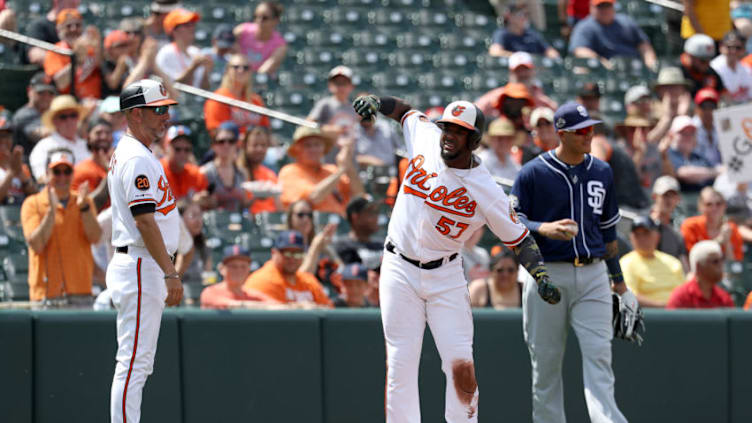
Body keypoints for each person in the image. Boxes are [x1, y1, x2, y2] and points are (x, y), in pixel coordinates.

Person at [353, 93, 561, 422]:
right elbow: (405, 111)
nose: (448, 134)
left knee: (461, 366)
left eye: (458, 130)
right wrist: (377, 101)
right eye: (447, 127)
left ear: (474, 139)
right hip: (398, 266)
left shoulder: (486, 189)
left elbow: (520, 239)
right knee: (401, 365)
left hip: (445, 276)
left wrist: (541, 276)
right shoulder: (426, 136)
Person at [510, 101, 641, 423]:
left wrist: (620, 285)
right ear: (561, 133)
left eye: (591, 128)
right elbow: (510, 221)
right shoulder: (532, 172)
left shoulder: (601, 170)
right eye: (580, 130)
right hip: (547, 275)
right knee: (546, 365)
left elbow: (608, 233)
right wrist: (543, 228)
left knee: (600, 359)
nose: (588, 134)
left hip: (594, 273)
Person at [107, 79, 183, 423]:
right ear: (136, 114)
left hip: (141, 262)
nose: (166, 116)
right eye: (159, 110)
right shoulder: (136, 158)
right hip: (141, 264)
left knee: (138, 362)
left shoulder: (137, 152)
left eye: (167, 109)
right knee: (134, 363)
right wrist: (170, 271)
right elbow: (145, 223)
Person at [21, 149, 100, 306]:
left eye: (67, 171)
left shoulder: (84, 201)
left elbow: (95, 237)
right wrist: (51, 212)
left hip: (80, 291)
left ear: (73, 173)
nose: (62, 177)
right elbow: (36, 244)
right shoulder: (33, 203)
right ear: (46, 174)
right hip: (45, 295)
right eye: (56, 172)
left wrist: (84, 208)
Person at [278, 126, 364, 216]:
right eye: (307, 145)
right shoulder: (289, 171)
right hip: (311, 226)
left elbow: (359, 195)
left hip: (341, 224)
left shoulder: (331, 170)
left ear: (324, 148)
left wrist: (349, 166)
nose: (313, 149)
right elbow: (313, 197)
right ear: (297, 149)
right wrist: (341, 170)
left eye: (317, 144)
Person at [243, 230, 333, 307]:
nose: (292, 258)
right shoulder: (262, 280)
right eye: (287, 253)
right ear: (274, 253)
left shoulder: (308, 280)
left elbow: (328, 311)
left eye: (297, 254)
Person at [569, 0, 657, 70]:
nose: (604, 10)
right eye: (600, 6)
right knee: (581, 69)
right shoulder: (585, 26)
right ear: (591, 7)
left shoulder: (626, 22)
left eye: (607, 6)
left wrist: (650, 63)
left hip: (633, 66)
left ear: (613, 6)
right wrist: (603, 62)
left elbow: (644, 45)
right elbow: (580, 50)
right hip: (604, 71)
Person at [620, 216, 685, 308]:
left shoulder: (672, 262)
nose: (641, 238)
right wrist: (664, 306)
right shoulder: (626, 263)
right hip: (647, 316)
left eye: (646, 233)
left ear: (657, 236)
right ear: (631, 238)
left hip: (678, 313)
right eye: (637, 234)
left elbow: (684, 291)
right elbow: (628, 295)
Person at [43, 8, 103, 99]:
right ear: (59, 30)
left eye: (77, 25)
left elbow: (101, 66)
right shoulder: (54, 51)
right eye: (68, 26)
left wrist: (99, 45)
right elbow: (60, 83)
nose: (73, 29)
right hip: (69, 105)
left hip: (95, 102)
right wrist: (77, 59)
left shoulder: (90, 47)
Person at [29, 95, 90, 183]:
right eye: (63, 117)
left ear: (78, 118)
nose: (69, 120)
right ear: (54, 121)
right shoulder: (43, 146)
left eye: (73, 115)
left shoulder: (86, 144)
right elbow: (42, 179)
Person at [203, 53, 270, 132]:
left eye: (245, 68)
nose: (241, 70)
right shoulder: (218, 98)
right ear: (227, 70)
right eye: (236, 67)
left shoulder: (256, 101)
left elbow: (266, 130)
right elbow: (216, 133)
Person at [200, 245, 279, 309]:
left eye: (243, 266)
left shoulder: (252, 294)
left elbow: (278, 306)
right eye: (233, 266)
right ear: (222, 269)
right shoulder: (210, 292)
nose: (238, 270)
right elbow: (232, 305)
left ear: (249, 269)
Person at [681, 187, 744, 261]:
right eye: (709, 204)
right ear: (700, 206)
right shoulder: (690, 225)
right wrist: (719, 241)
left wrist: (727, 243)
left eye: (718, 204)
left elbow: (734, 264)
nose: (714, 208)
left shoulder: (732, 228)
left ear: (724, 206)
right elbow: (694, 258)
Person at [666, 240, 735, 309]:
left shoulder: (724, 298)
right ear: (698, 266)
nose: (720, 265)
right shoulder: (681, 296)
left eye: (722, 260)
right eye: (715, 261)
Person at [155, 8, 212, 89]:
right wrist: (193, 67)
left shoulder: (195, 51)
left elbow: (205, 88)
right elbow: (172, 86)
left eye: (193, 24)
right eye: (186, 25)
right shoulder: (166, 52)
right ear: (174, 30)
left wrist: (206, 71)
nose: (192, 28)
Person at [307, 65, 360, 151]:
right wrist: (327, 130)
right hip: (327, 155)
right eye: (337, 83)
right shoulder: (325, 104)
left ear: (351, 86)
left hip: (349, 156)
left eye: (344, 83)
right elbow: (308, 125)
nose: (341, 87)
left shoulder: (354, 108)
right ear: (330, 86)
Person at [200, 122, 250, 212]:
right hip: (213, 222)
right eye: (221, 142)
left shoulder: (242, 173)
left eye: (231, 141)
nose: (226, 145)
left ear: (236, 145)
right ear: (214, 146)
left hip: (238, 222)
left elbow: (244, 205)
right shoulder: (205, 172)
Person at [160, 125, 211, 205]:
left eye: (187, 150)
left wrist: (204, 201)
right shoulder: (157, 171)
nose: (182, 154)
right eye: (177, 149)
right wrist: (189, 202)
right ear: (166, 147)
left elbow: (210, 202)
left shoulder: (196, 174)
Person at [666, 115, 718, 192]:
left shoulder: (698, 156)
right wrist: (715, 172)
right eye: (683, 133)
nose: (688, 137)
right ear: (671, 135)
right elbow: (684, 174)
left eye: (692, 133)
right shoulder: (668, 154)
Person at [234, 1, 287, 74]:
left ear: (275, 20)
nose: (259, 20)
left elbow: (263, 72)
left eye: (264, 18)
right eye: (256, 16)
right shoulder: (241, 31)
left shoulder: (280, 46)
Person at [649, 175, 690, 272]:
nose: (669, 200)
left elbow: (683, 261)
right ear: (654, 196)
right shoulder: (642, 223)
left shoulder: (678, 228)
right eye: (665, 195)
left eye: (673, 195)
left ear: (678, 199)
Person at [489, 3, 560, 58]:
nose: (524, 18)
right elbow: (495, 52)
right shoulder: (502, 34)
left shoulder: (532, 34)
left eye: (526, 14)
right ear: (509, 16)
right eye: (520, 14)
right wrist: (521, 58)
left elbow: (552, 53)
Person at [237, 125, 281, 214]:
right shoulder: (238, 172)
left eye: (263, 145)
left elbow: (279, 208)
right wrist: (256, 196)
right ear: (245, 146)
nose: (260, 149)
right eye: (255, 145)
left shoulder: (270, 174)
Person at [71, 118, 113, 211]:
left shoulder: (120, 163)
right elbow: (86, 207)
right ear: (88, 137)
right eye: (98, 133)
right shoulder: (81, 170)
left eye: (107, 133)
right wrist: (109, 173)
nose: (103, 137)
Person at [333, 195, 384, 270]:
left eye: (376, 212)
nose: (376, 217)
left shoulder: (383, 244)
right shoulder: (342, 245)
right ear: (355, 217)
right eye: (371, 212)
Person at [12, 72, 56, 156]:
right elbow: (42, 135)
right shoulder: (24, 115)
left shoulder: (52, 113)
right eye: (41, 92)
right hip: (27, 165)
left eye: (50, 93)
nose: (46, 97)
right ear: (29, 91)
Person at [24, 0, 80, 65]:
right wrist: (64, 60)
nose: (75, 6)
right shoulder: (39, 25)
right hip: (48, 72)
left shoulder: (78, 26)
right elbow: (35, 55)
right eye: (71, 3)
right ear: (57, 2)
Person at [648, 67, 693, 145]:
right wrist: (666, 119)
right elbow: (648, 142)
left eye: (676, 86)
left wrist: (682, 117)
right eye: (667, 87)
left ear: (683, 89)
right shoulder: (650, 110)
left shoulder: (693, 110)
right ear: (659, 90)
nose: (672, 90)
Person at [0, 113, 36, 204]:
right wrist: (11, 173)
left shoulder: (20, 163)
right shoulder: (14, 167)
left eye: (7, 136)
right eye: (0, 136)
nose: (3, 140)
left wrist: (20, 173)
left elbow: (35, 196)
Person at [710, 30, 752, 104]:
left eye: (738, 48)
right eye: (729, 47)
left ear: (743, 50)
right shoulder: (713, 68)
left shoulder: (746, 68)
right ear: (721, 47)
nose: (733, 51)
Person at [478, 117, 521, 181]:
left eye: (508, 139)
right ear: (491, 140)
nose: (504, 142)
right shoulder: (482, 161)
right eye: (499, 138)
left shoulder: (511, 160)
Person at [692, 87, 722, 167]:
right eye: (704, 106)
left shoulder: (721, 126)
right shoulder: (690, 128)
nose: (708, 111)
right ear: (696, 109)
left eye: (712, 106)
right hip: (699, 172)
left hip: (721, 171)